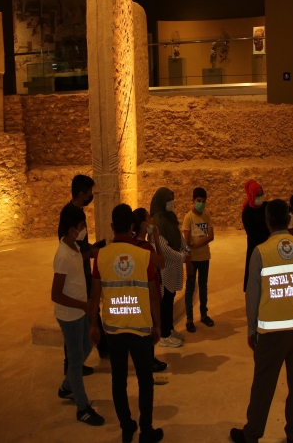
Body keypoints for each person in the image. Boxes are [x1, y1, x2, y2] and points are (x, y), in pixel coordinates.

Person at [230, 199, 293, 443]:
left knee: (263, 385)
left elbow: (252, 296)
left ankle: (252, 434)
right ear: (288, 220)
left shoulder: (261, 252)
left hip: (270, 334)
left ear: (267, 222)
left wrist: (251, 329)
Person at [89, 204, 164, 443]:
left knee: (118, 380)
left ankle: (126, 426)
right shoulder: (143, 255)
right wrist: (158, 325)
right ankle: (146, 430)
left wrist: (93, 325)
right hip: (141, 327)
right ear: (132, 226)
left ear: (112, 226)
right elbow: (153, 296)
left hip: (114, 329)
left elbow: (94, 296)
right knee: (145, 381)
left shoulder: (101, 256)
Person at [51, 204, 104, 426]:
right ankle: (82, 408)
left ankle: (66, 386)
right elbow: (56, 294)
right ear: (73, 229)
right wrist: (83, 305)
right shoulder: (62, 255)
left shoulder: (72, 247)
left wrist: (92, 253)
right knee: (75, 359)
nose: (84, 229)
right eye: (82, 225)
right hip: (69, 315)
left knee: (87, 345)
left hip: (80, 310)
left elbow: (80, 260)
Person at [58, 175, 106, 379]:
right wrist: (91, 254)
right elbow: (72, 250)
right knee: (79, 318)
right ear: (80, 194)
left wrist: (92, 248)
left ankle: (103, 347)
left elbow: (81, 245)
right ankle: (70, 366)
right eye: (89, 193)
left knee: (93, 308)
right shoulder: (69, 216)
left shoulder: (78, 213)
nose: (91, 196)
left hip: (84, 270)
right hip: (77, 274)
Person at [149, 187, 190, 348]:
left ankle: (169, 328)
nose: (171, 202)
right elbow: (163, 248)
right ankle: (164, 335)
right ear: (161, 201)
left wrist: (186, 249)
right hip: (165, 268)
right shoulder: (157, 222)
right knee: (164, 301)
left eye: (172, 198)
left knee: (170, 298)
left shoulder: (170, 217)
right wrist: (182, 257)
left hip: (173, 268)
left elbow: (178, 236)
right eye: (168, 199)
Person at [132, 207, 169, 379]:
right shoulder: (146, 246)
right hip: (148, 290)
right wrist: (157, 240)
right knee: (151, 326)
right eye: (148, 218)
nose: (152, 221)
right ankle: (149, 360)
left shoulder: (132, 243)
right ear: (143, 224)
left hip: (138, 290)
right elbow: (161, 262)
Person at [182, 187, 215, 333]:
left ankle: (204, 315)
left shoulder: (206, 217)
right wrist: (190, 250)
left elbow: (211, 236)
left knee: (203, 286)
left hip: (204, 257)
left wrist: (197, 244)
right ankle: (189, 319)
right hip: (193, 258)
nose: (201, 204)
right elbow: (186, 239)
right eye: (199, 201)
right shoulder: (188, 217)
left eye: (203, 201)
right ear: (193, 200)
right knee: (190, 287)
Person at [241, 179, 269, 292]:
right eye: (257, 195)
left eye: (261, 195)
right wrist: (268, 236)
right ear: (251, 195)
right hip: (255, 247)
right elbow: (252, 233)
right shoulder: (247, 213)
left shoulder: (266, 206)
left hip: (267, 247)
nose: (260, 197)